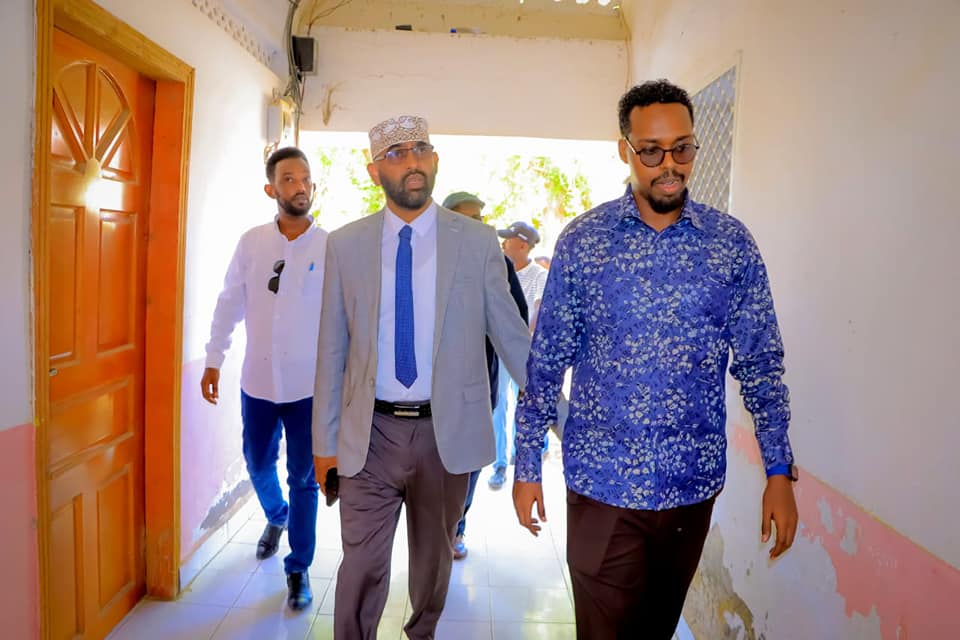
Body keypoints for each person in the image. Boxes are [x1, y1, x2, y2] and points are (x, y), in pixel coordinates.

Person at [512, 79, 799, 640]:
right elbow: (546, 363)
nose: (669, 165)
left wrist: (779, 470)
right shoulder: (584, 243)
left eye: (682, 148)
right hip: (602, 488)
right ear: (624, 149)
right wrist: (526, 466)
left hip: (691, 489)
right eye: (651, 151)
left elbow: (762, 364)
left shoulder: (730, 245)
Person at [311, 116, 531, 639]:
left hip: (445, 433)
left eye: (420, 149)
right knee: (361, 565)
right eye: (396, 153)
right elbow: (331, 350)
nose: (411, 161)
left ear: (434, 160)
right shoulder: (345, 244)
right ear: (374, 171)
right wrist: (324, 443)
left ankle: (422, 633)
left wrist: (563, 416)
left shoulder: (477, 241)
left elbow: (512, 336)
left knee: (433, 564)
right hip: (370, 433)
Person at [200, 147, 326, 611]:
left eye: (306, 178)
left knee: (304, 479)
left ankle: (299, 567)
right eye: (289, 178)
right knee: (257, 462)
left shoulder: (329, 247)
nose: (300, 186)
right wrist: (214, 358)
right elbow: (229, 301)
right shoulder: (252, 243)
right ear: (271, 188)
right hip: (258, 383)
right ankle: (277, 516)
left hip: (308, 387)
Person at [441, 191, 528, 560]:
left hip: (481, 383)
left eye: (480, 219)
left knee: (472, 460)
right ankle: (436, 529)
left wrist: (526, 381)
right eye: (466, 219)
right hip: (433, 391)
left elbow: (517, 322)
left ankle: (457, 525)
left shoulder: (499, 264)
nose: (476, 226)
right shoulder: (428, 263)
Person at [488, 221, 550, 489]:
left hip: (526, 352)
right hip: (499, 349)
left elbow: (538, 311)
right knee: (499, 403)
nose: (503, 243)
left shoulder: (539, 276)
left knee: (524, 404)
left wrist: (518, 337)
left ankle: (520, 457)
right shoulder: (498, 271)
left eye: (509, 239)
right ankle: (499, 463)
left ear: (523, 246)